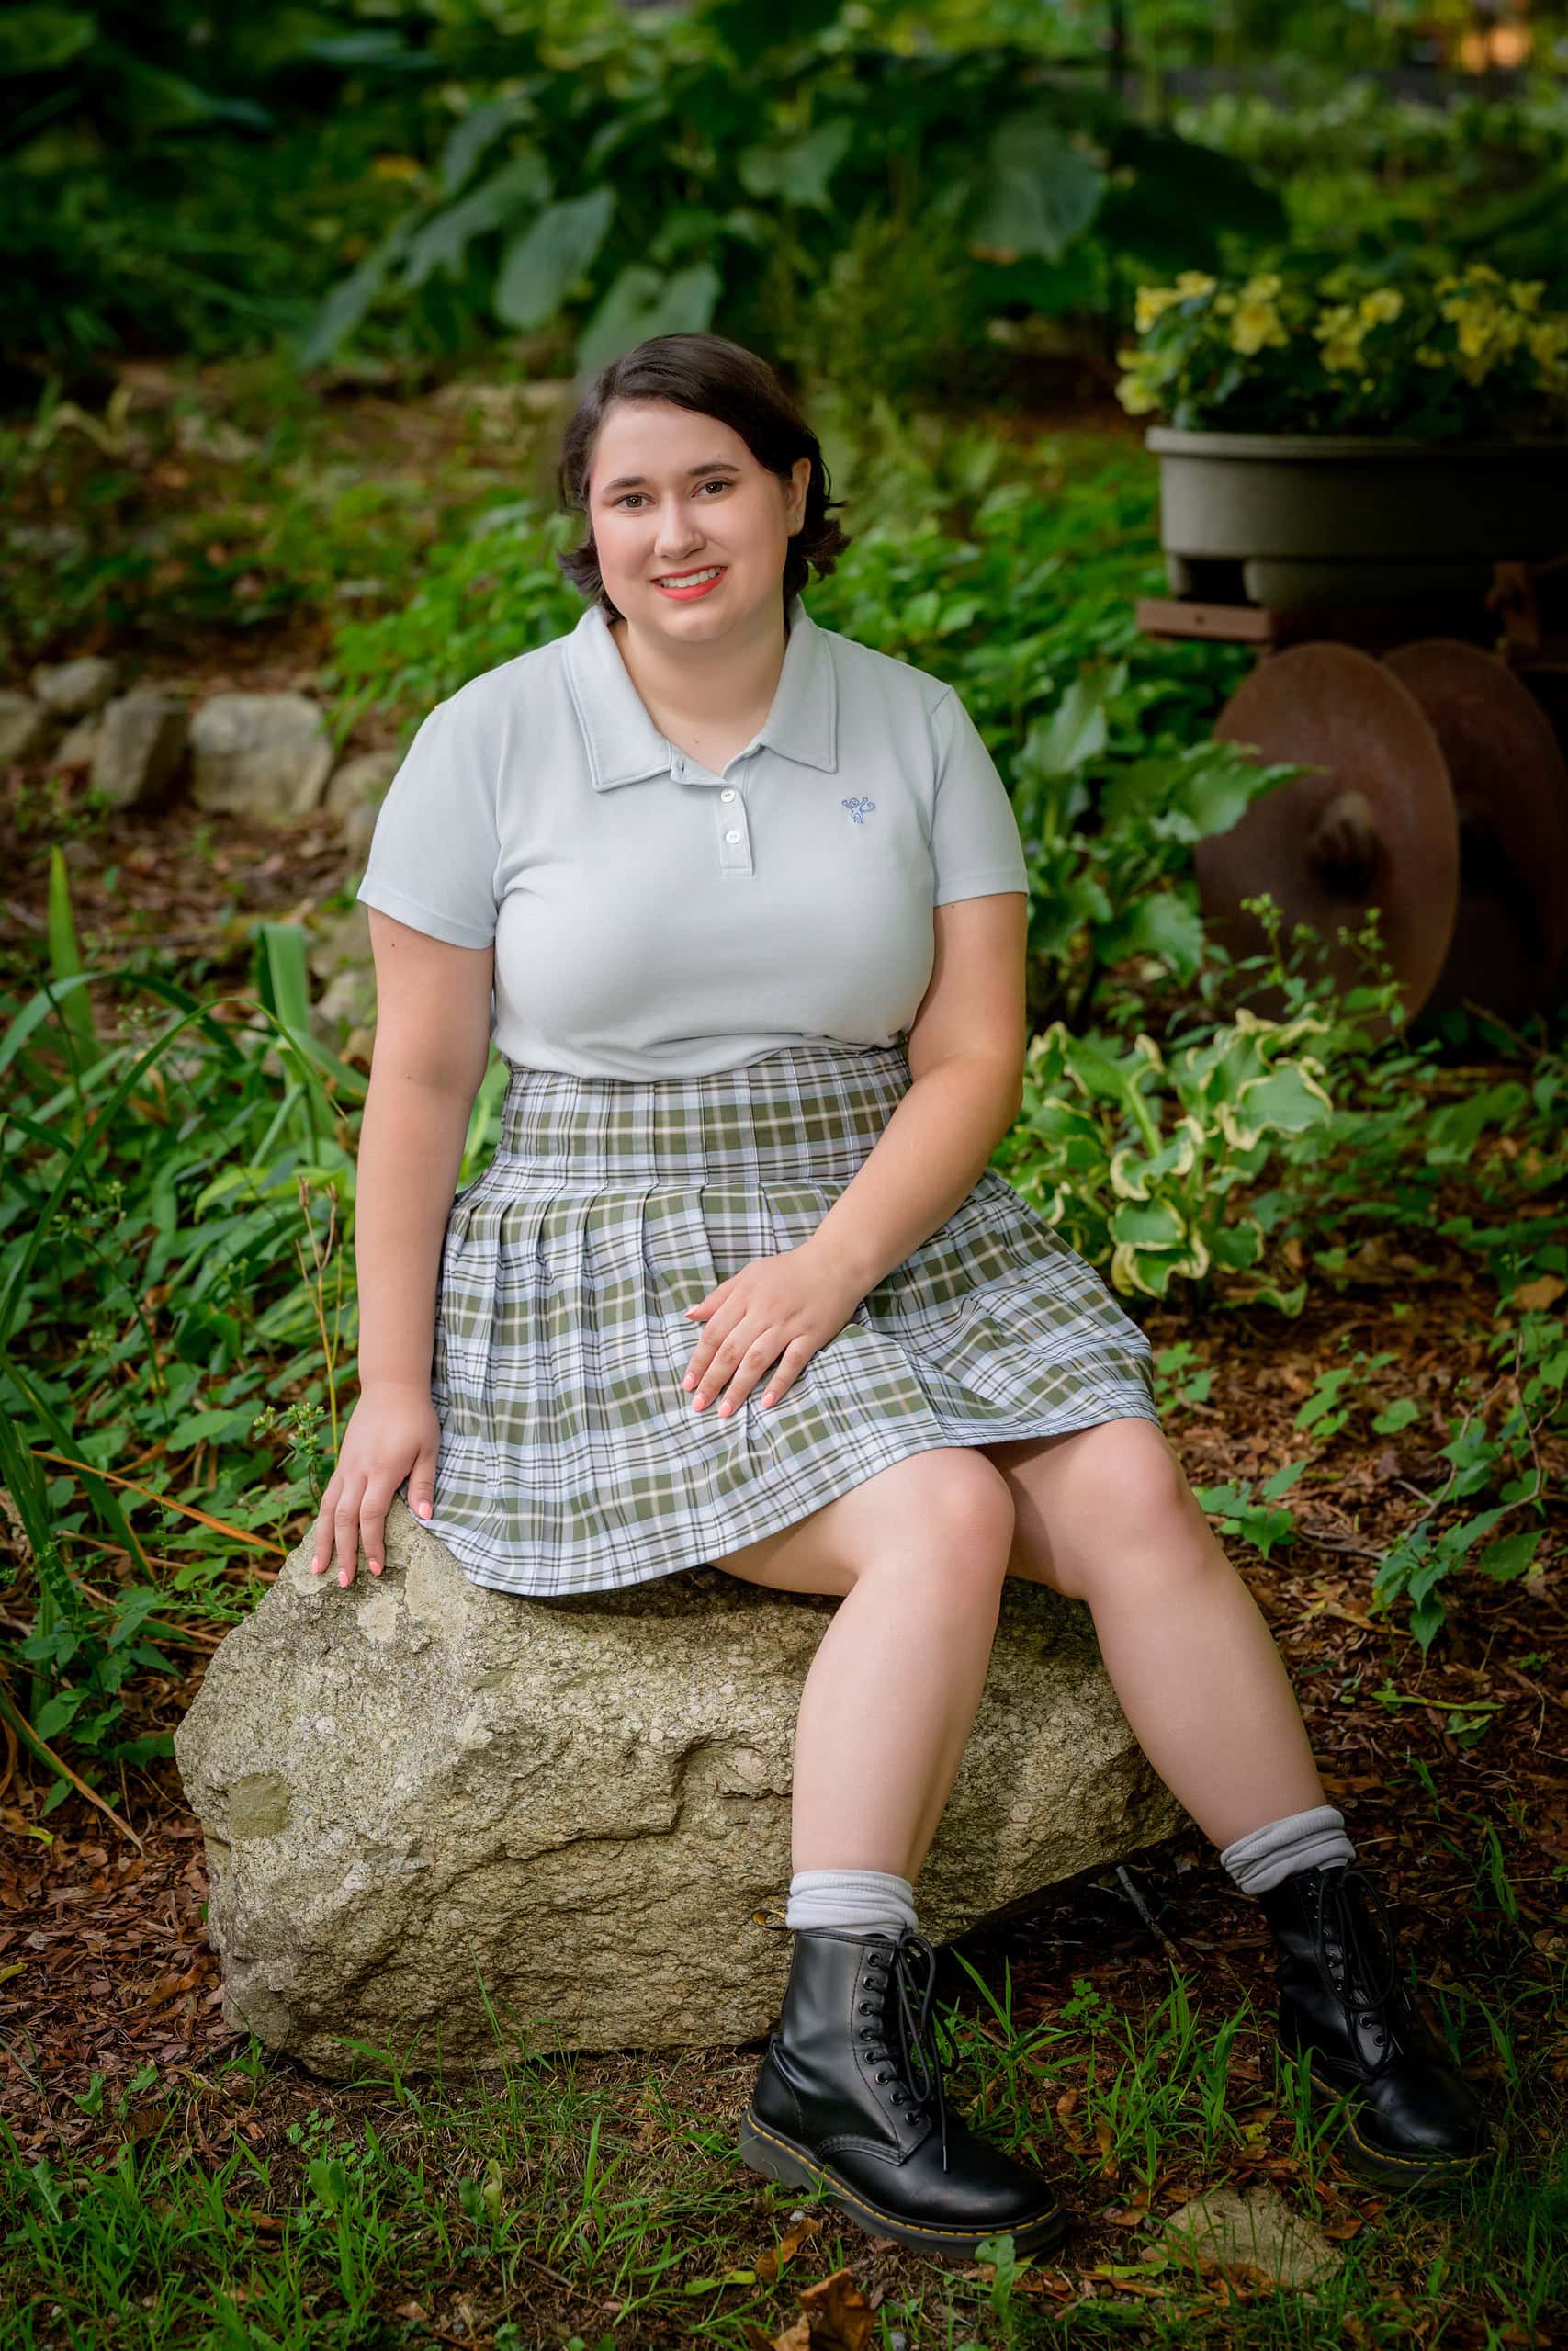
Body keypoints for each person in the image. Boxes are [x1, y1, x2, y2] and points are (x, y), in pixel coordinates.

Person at [310, 331, 1491, 2264]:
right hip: (608, 1225)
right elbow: (423, 1082)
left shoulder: (910, 723)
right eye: (626, 496)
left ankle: (1327, 1959)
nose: (671, 529)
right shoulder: (491, 740)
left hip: (884, 1195)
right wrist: (389, 1382)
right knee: (939, 1507)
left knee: (1123, 1489)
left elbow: (969, 1056)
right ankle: (829, 2053)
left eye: (711, 482)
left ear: (791, 492)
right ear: (584, 532)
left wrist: (837, 1255)